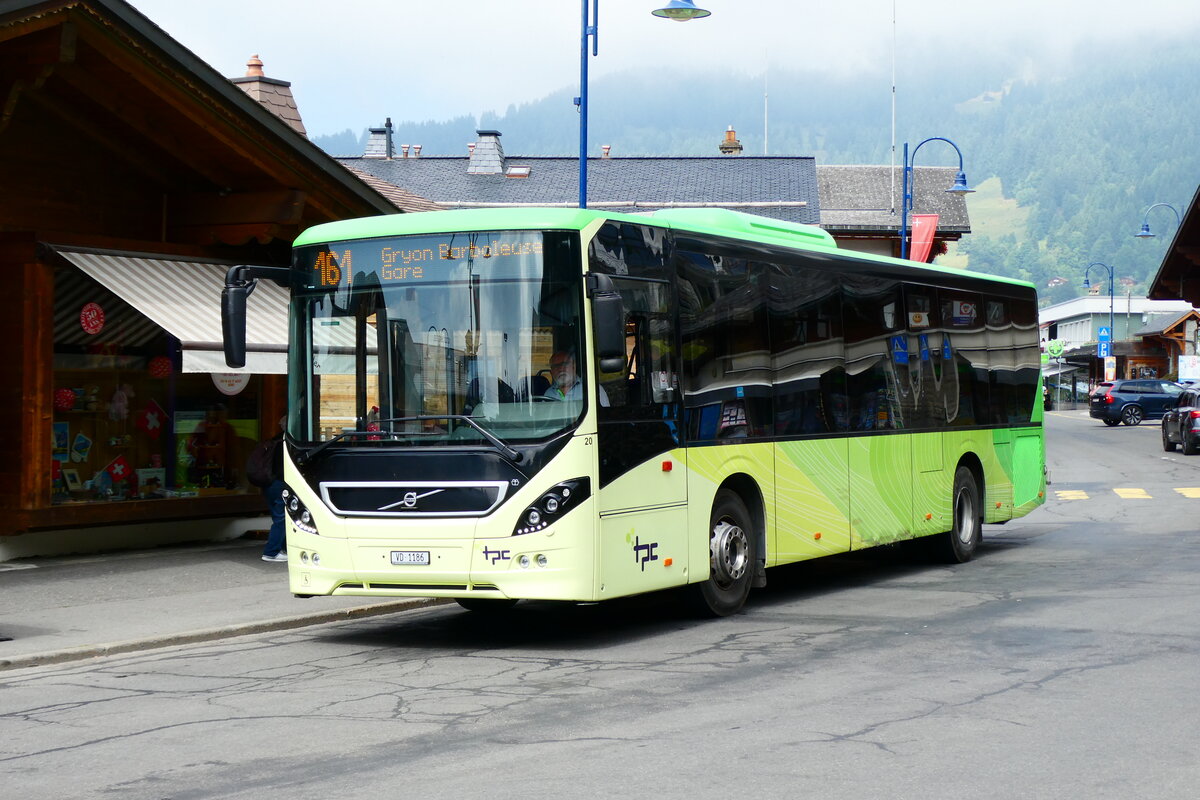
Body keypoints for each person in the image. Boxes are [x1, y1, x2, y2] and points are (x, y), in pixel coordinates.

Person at [260, 416, 287, 563]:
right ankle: (271, 551)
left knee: (278, 517)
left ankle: (282, 549)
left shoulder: (273, 441)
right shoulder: (285, 443)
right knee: (281, 518)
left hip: (269, 484)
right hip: (279, 483)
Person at [543, 350, 609, 405]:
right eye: (556, 366)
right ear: (551, 372)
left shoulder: (593, 389)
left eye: (564, 364)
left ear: (574, 367)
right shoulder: (548, 394)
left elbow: (604, 417)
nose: (560, 369)